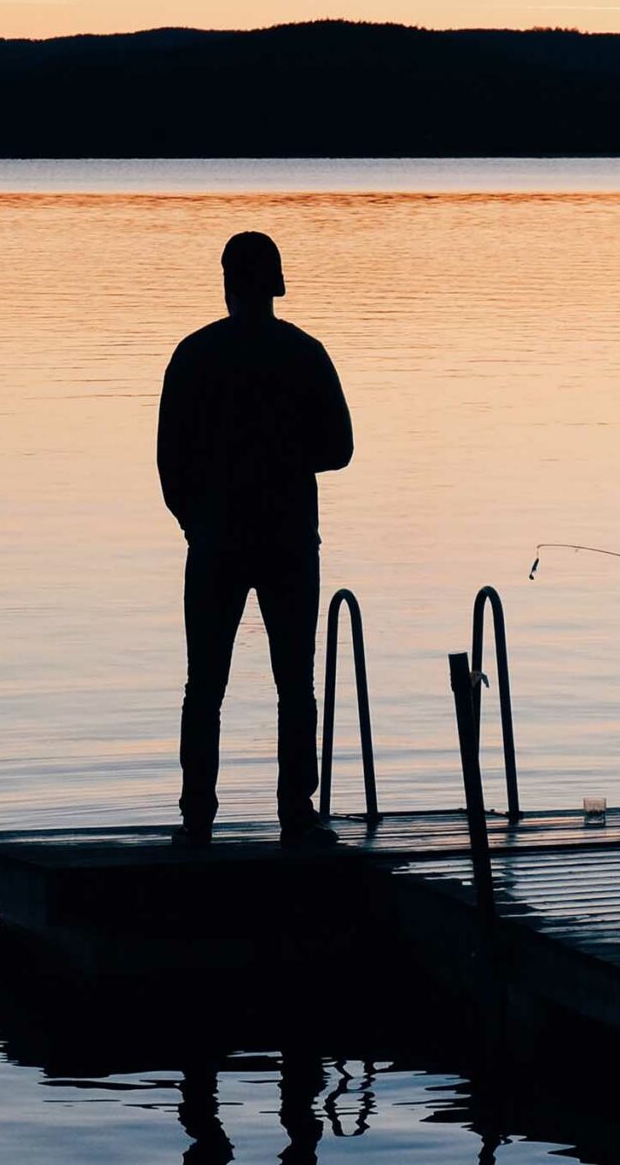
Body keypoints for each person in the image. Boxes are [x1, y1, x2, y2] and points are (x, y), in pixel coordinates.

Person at [157, 231, 353, 847]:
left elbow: (170, 461)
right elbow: (341, 449)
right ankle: (296, 809)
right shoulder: (305, 353)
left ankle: (197, 815)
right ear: (275, 285)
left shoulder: (193, 355)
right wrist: (290, 461)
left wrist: (195, 520)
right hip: (290, 539)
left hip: (214, 541)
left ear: (226, 283)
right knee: (294, 679)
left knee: (203, 685)